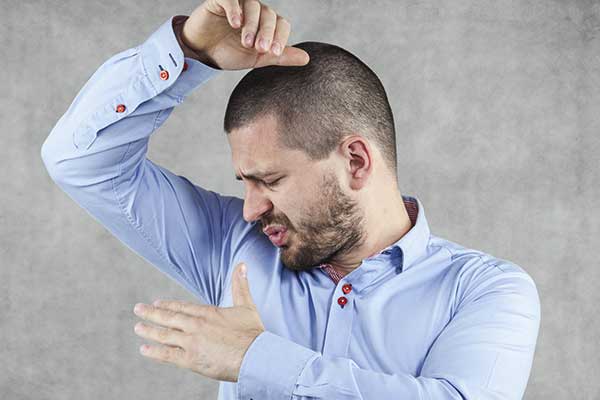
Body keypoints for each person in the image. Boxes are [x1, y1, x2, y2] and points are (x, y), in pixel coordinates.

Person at [41, 0, 541, 398]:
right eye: (245, 181)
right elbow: (78, 160)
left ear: (355, 161)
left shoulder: (485, 291)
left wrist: (255, 359)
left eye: (271, 180)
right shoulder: (233, 247)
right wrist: (188, 53)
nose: (250, 209)